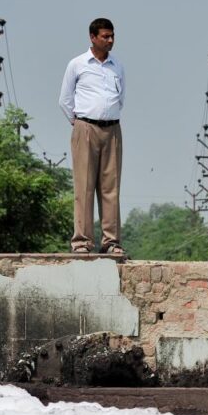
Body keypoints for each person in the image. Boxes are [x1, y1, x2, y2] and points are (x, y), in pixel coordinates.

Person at [58, 17, 126, 255]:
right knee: (84, 187)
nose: (110, 40)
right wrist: (78, 124)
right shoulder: (77, 64)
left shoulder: (117, 65)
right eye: (105, 36)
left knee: (111, 187)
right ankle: (82, 242)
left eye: (112, 36)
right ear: (92, 37)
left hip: (112, 129)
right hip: (85, 127)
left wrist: (108, 116)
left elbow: (121, 98)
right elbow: (65, 100)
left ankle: (111, 242)